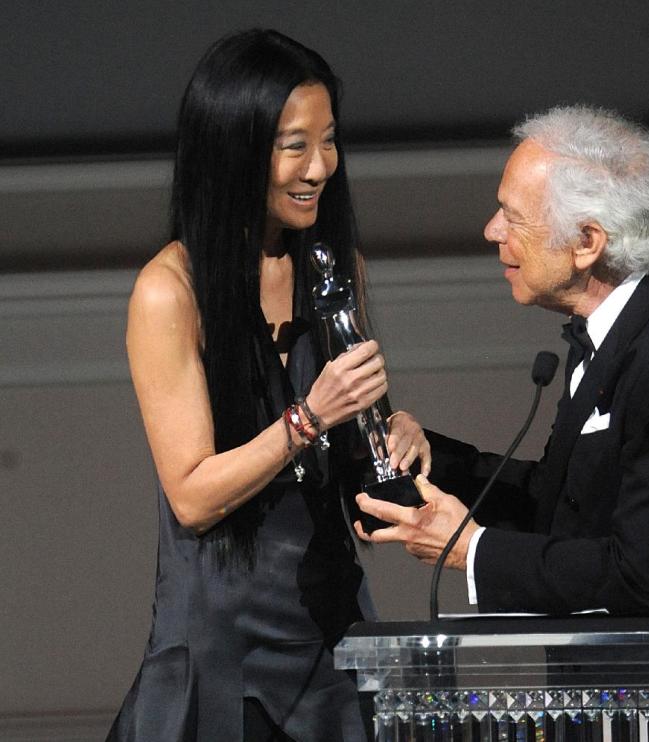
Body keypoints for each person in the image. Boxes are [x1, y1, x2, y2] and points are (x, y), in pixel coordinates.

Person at [108, 29, 429, 741]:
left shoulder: (335, 267)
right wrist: (309, 417)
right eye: (294, 145)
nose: (320, 167)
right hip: (224, 650)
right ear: (235, 149)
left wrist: (392, 439)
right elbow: (192, 496)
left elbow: (352, 487)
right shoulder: (170, 290)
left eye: (329, 140)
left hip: (330, 634)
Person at [356, 105, 649, 616]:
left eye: (512, 217)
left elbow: (645, 574)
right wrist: (429, 458)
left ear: (586, 243)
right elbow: (563, 506)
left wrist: (474, 549)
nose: (492, 231)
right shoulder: (624, 334)